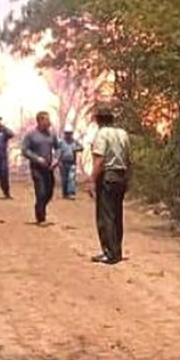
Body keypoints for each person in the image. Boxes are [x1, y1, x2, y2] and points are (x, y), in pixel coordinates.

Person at [87, 105, 131, 265]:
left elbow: (99, 160)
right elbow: (128, 159)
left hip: (108, 176)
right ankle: (117, 250)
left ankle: (109, 253)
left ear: (98, 120)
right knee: (117, 214)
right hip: (121, 175)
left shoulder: (101, 134)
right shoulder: (123, 134)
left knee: (106, 215)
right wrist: (129, 178)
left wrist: (92, 180)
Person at [20, 111, 60, 225]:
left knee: (49, 192)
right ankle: (41, 217)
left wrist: (56, 159)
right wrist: (37, 158)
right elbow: (25, 150)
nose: (49, 122)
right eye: (46, 120)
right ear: (40, 121)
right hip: (37, 168)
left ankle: (40, 206)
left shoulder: (52, 134)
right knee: (41, 192)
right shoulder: (31, 135)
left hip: (49, 168)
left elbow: (58, 147)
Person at [57, 124, 84, 199]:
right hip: (63, 162)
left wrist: (76, 149)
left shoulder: (74, 142)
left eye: (69, 133)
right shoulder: (61, 142)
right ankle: (65, 193)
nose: (68, 135)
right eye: (67, 133)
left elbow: (81, 148)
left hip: (72, 162)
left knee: (71, 178)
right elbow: (57, 152)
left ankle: (70, 193)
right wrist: (57, 161)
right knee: (64, 179)